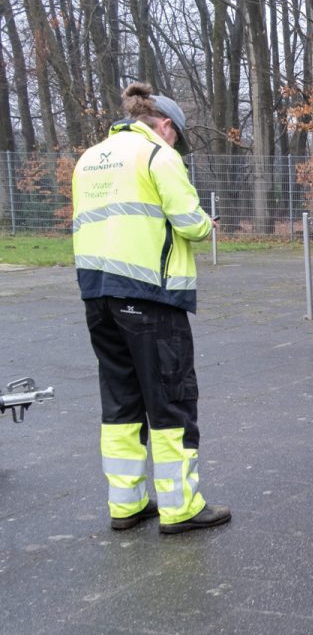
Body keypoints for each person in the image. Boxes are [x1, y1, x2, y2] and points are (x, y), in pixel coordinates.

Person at [72, 82, 230, 534]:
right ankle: (180, 508)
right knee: (171, 401)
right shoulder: (157, 156)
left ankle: (126, 504)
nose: (175, 143)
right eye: (176, 134)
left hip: (97, 295)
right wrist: (207, 225)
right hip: (150, 297)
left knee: (120, 402)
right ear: (163, 125)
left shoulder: (89, 159)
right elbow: (190, 223)